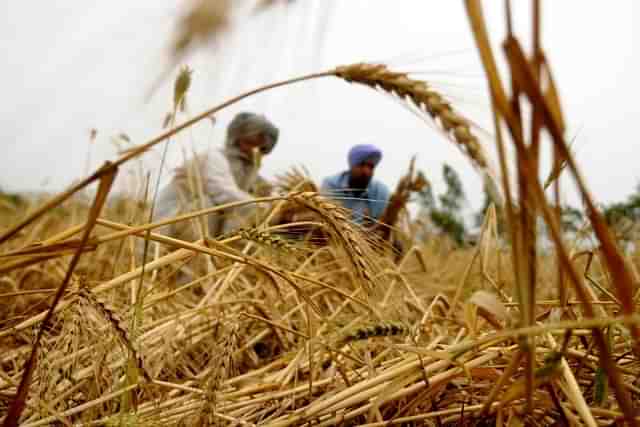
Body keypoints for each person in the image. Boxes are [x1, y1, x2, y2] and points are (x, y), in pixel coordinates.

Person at [155, 112, 279, 240]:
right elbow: (225, 194)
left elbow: (270, 193)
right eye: (250, 142)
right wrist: (267, 210)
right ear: (236, 138)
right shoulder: (214, 158)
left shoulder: (250, 174)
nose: (254, 149)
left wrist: (283, 206)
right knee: (207, 206)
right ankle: (200, 256)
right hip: (166, 227)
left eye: (260, 146)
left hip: (190, 231)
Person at [321, 143, 390, 225]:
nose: (366, 171)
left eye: (371, 166)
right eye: (362, 165)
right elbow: (325, 219)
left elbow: (380, 226)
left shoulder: (381, 192)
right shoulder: (331, 185)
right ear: (351, 165)